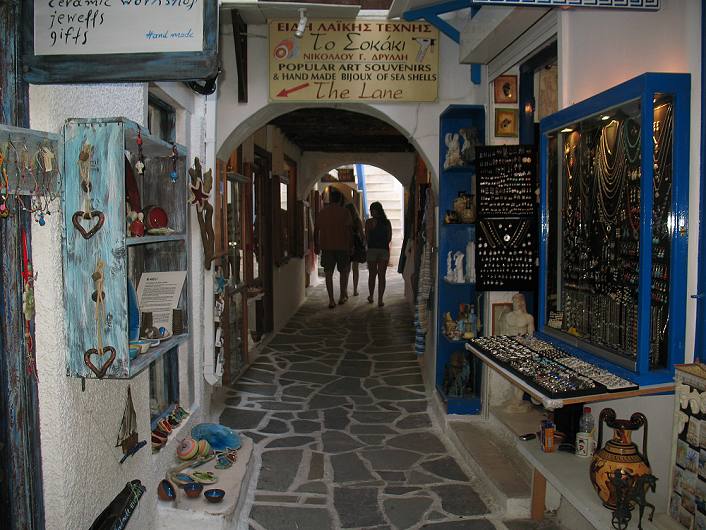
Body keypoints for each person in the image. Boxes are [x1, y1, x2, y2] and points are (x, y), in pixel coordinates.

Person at [314, 188, 353, 309]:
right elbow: (348, 231)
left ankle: (331, 300)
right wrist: (350, 246)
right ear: (340, 199)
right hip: (342, 246)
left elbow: (316, 231)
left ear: (330, 200)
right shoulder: (345, 212)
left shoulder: (322, 213)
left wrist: (316, 245)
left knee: (328, 274)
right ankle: (342, 296)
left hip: (327, 247)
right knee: (343, 272)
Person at [365, 201, 392, 307]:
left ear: (376, 210)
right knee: (382, 275)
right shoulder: (387, 222)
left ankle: (371, 296)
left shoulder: (369, 222)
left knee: (372, 275)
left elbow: (367, 237)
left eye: (372, 210)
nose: (371, 212)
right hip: (384, 250)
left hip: (372, 250)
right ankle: (380, 300)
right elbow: (389, 238)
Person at [345, 202, 365, 297]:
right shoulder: (358, 221)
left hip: (347, 244)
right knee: (355, 269)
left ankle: (345, 290)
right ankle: (355, 290)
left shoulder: (344, 220)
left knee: (347, 269)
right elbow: (362, 235)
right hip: (356, 245)